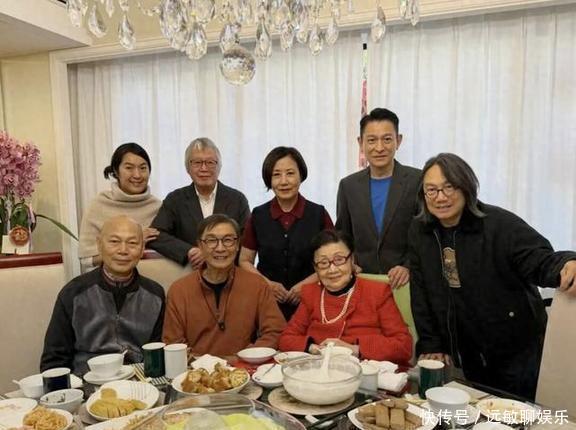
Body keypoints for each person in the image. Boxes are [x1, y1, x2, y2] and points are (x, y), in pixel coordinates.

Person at [408, 153, 576, 399]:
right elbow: (421, 291)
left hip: (515, 348)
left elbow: (539, 259)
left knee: (516, 413)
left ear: (466, 186)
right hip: (469, 351)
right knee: (479, 411)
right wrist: (431, 342)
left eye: (449, 187)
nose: (440, 197)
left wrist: (566, 262)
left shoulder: (499, 224)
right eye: (431, 190)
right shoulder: (421, 231)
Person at [41, 216, 165, 374]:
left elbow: (157, 355)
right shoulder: (73, 293)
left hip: (138, 380)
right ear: (99, 245)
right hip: (85, 381)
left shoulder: (155, 295)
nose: (123, 250)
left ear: (142, 250)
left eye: (132, 243)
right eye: (114, 241)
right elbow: (53, 361)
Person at [279, 230, 413, 363]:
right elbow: (286, 339)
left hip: (364, 369)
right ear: (315, 268)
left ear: (352, 260)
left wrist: (353, 349)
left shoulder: (377, 292)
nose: (332, 270)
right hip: (319, 367)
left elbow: (403, 346)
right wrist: (313, 348)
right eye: (323, 263)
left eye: (339, 260)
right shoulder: (311, 293)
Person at [162, 214, 286, 356]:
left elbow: (275, 331)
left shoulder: (257, 285)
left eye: (228, 240)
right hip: (196, 367)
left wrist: (249, 356)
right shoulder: (179, 290)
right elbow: (173, 343)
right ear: (200, 246)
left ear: (238, 245)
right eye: (211, 240)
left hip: (244, 365)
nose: (220, 248)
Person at [239, 147, 334, 319]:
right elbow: (244, 260)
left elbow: (333, 259)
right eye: (276, 175)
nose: (284, 181)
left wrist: (307, 285)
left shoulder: (318, 214)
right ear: (269, 179)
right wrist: (267, 285)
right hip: (267, 303)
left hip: (313, 302)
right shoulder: (258, 215)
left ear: (301, 176)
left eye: (290, 173)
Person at [336, 108, 420, 288]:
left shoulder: (418, 181)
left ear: (398, 141)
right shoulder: (348, 186)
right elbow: (343, 235)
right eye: (372, 140)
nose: (379, 148)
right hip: (362, 282)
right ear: (361, 143)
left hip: (406, 283)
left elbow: (427, 233)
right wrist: (348, 263)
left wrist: (408, 266)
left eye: (387, 139)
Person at [149, 138, 250, 267]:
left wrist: (213, 252)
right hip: (190, 270)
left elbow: (247, 239)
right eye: (197, 162)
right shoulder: (175, 199)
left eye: (210, 162)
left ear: (219, 167)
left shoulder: (237, 199)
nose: (204, 168)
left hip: (229, 271)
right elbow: (157, 236)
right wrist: (189, 251)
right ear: (188, 168)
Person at [78, 143, 161, 271]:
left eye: (143, 168)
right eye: (129, 168)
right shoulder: (99, 205)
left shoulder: (158, 206)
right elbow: (86, 260)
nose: (137, 175)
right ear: (116, 171)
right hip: (108, 280)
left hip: (155, 277)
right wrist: (135, 243)